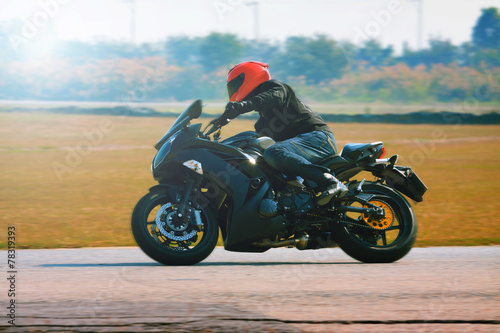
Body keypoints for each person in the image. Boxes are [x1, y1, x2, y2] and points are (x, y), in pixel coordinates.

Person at [219, 61, 347, 205]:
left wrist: (241, 106)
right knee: (259, 163)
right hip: (303, 148)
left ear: (247, 77)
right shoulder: (263, 123)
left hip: (319, 138)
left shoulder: (276, 88)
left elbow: (271, 97)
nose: (233, 90)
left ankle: (329, 181)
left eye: (235, 85)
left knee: (274, 152)